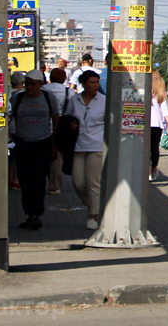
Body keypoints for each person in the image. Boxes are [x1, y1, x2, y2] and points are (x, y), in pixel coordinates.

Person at [9, 69, 59, 230]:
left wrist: (54, 145)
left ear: (41, 84)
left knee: (38, 179)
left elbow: (56, 120)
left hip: (42, 143)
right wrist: (11, 138)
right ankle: (29, 212)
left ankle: (35, 213)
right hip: (22, 144)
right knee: (25, 180)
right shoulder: (17, 99)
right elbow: (7, 119)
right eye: (26, 84)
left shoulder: (48, 97)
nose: (29, 87)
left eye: (33, 84)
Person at [69, 69, 106, 230]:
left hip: (96, 145)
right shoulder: (74, 100)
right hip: (78, 145)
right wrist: (70, 125)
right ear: (83, 84)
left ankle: (93, 216)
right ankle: (90, 203)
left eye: (97, 82)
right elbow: (67, 117)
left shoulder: (104, 101)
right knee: (78, 182)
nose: (95, 85)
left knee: (93, 183)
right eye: (92, 82)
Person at [42, 68, 73, 194]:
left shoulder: (43, 89)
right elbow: (71, 110)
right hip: (61, 126)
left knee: (42, 152)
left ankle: (40, 180)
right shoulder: (68, 91)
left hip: (43, 124)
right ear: (64, 78)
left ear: (50, 77)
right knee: (57, 155)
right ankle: (54, 185)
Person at [149, 69, 168, 181]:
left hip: (144, 123)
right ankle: (153, 169)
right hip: (157, 123)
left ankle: (146, 170)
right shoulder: (161, 93)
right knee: (154, 147)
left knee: (144, 148)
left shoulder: (144, 91)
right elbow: (164, 110)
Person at [7, 71, 26, 189]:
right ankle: (16, 179)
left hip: (7, 128)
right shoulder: (23, 95)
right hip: (18, 128)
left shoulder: (7, 93)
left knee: (11, 155)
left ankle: (10, 178)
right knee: (17, 155)